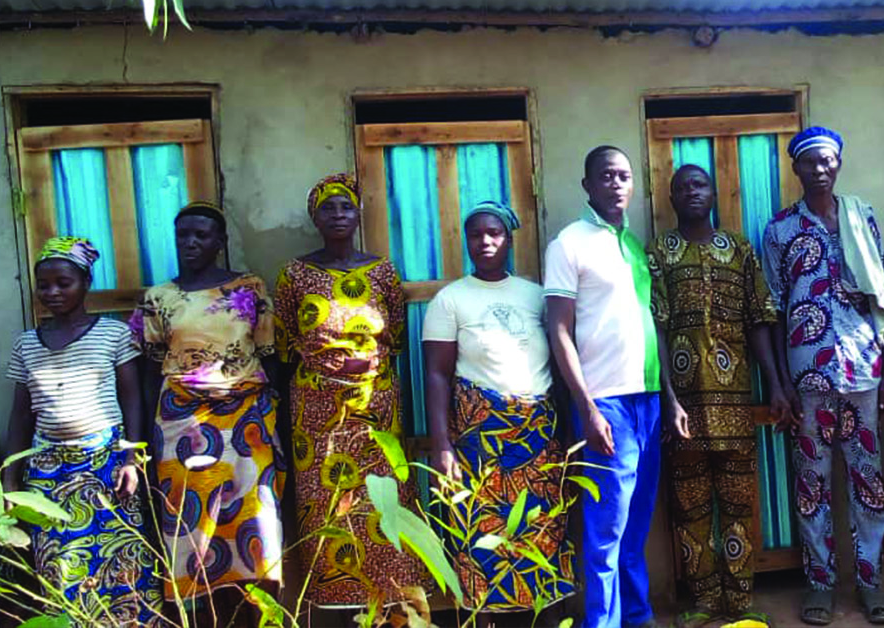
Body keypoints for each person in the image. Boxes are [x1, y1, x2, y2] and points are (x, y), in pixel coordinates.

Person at [544, 145, 689, 628]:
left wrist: (669, 399)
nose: (616, 184)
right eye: (606, 176)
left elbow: (650, 325)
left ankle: (637, 615)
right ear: (587, 185)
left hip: (646, 399)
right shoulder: (569, 244)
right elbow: (559, 330)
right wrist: (587, 408)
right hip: (604, 402)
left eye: (624, 176)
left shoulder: (634, 246)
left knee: (636, 524)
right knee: (605, 529)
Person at [761, 127, 884, 625]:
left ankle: (871, 583)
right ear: (795, 169)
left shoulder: (861, 218)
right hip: (810, 377)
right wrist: (778, 383)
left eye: (829, 161)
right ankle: (820, 585)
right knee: (811, 484)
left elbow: (882, 295)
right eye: (810, 162)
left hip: (864, 371)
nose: (820, 169)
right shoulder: (779, 230)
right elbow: (773, 309)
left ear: (838, 164)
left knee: (869, 482)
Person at [273, 173, 426, 614]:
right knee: (324, 508)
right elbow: (284, 346)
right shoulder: (294, 275)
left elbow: (393, 336)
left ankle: (392, 606)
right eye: (328, 208)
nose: (338, 215)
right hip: (316, 418)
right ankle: (332, 609)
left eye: (346, 207)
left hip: (376, 409)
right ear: (314, 218)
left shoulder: (381, 271)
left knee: (382, 503)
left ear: (359, 215)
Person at [647, 165, 787, 628]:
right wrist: (669, 398)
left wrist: (777, 386)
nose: (691, 192)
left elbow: (760, 320)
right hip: (683, 406)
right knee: (689, 506)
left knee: (738, 502)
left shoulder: (740, 250)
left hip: (736, 404)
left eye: (699, 184)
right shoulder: (660, 252)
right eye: (683, 186)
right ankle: (704, 600)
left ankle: (740, 599)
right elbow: (658, 329)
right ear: (671, 197)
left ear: (712, 193)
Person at [134, 202, 285, 625]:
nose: (191, 243)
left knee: (257, 524)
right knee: (190, 529)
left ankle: (255, 618)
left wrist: (281, 428)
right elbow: (150, 369)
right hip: (181, 426)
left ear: (220, 242)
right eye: (183, 235)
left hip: (246, 423)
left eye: (202, 235)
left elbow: (270, 358)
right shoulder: (159, 298)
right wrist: (146, 435)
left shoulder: (250, 289)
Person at [422, 200, 575, 616]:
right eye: (476, 234)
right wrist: (442, 445)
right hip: (482, 443)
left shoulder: (535, 295)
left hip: (537, 437)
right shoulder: (450, 300)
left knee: (540, 529)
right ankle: (487, 618)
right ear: (465, 241)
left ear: (509, 238)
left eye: (495, 233)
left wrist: (567, 430)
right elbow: (436, 376)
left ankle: (541, 617)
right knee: (484, 533)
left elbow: (559, 365)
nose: (485, 241)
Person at [4, 237, 161, 626]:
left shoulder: (113, 335)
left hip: (106, 468)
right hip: (47, 475)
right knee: (58, 566)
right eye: (44, 285)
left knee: (123, 566)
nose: (52, 292)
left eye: (64, 282)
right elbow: (20, 418)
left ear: (86, 283)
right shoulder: (26, 344)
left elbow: (133, 401)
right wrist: (10, 483)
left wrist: (131, 458)